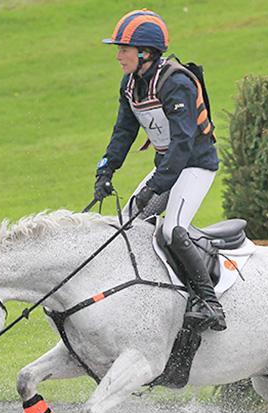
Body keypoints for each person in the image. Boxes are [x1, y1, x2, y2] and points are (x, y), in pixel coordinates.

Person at [93, 9, 225, 331]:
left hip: (195, 166)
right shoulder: (131, 84)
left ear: (145, 52)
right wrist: (106, 170)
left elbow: (183, 144)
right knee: (126, 224)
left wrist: (155, 186)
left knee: (172, 230)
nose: (118, 56)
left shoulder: (175, 83)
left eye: (123, 49)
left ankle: (209, 303)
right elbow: (123, 132)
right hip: (169, 167)